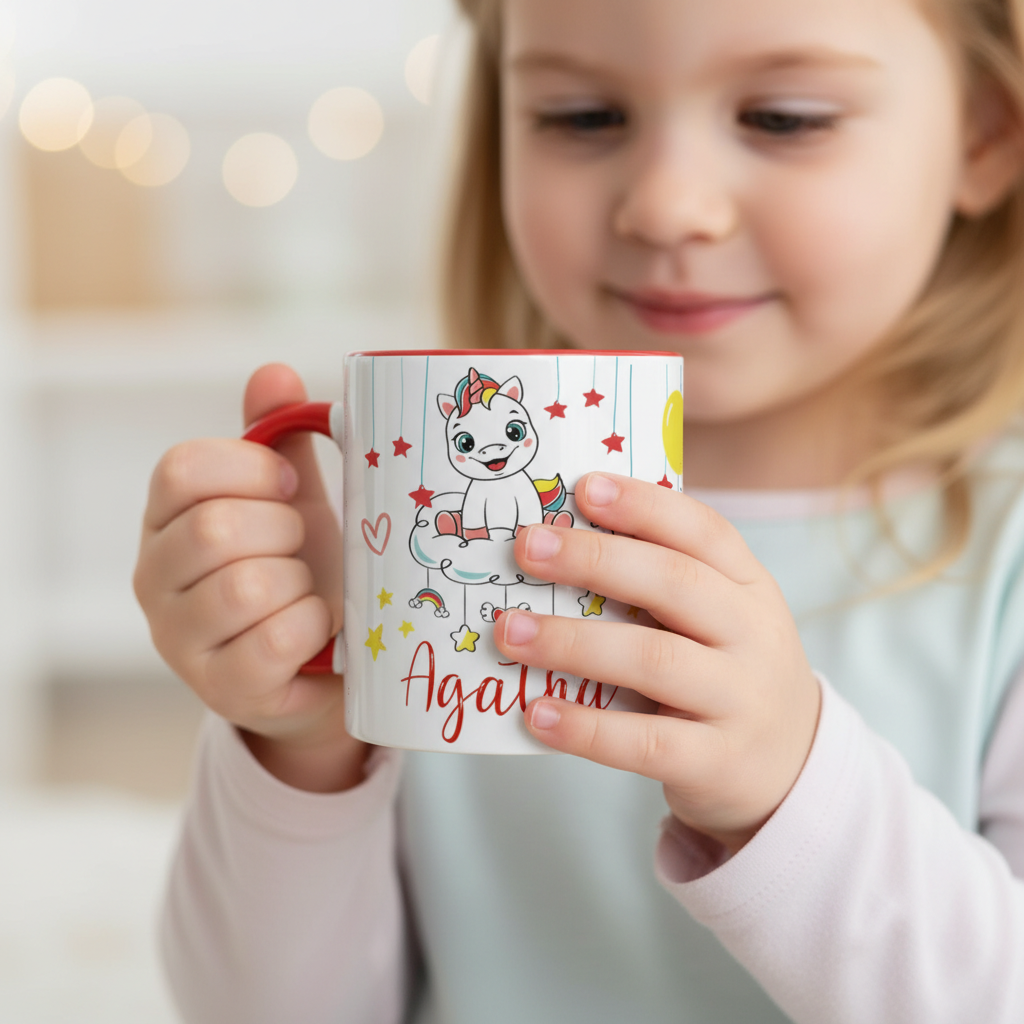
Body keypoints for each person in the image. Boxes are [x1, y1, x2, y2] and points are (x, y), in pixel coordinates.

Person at [133, 0, 1024, 1020]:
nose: (668, 206)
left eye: (784, 117)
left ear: (984, 136)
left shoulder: (1004, 565)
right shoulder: (428, 535)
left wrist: (791, 793)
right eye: (582, 116)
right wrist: (299, 750)